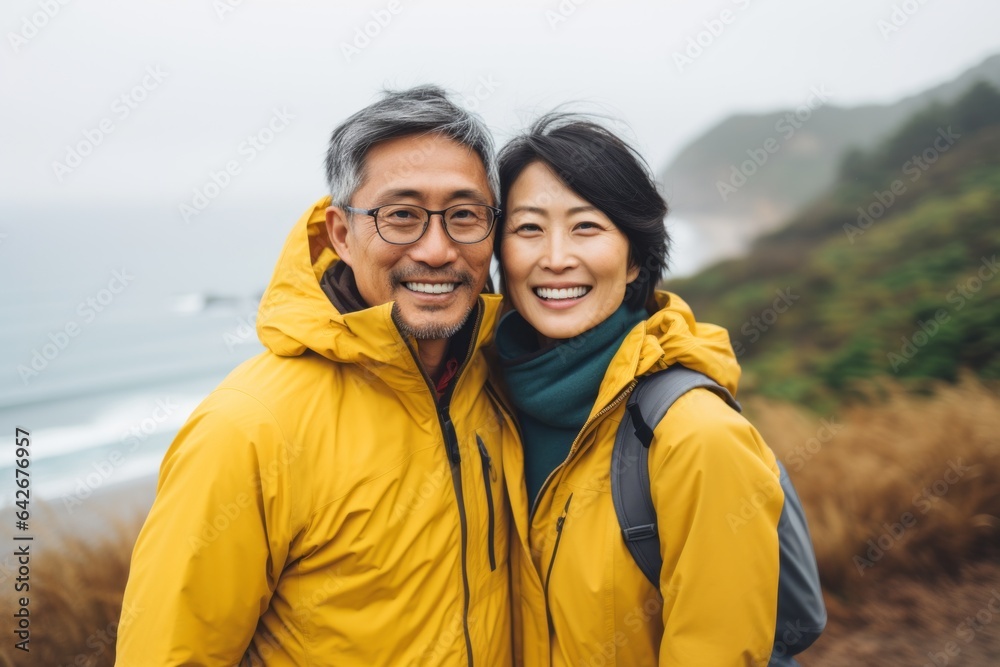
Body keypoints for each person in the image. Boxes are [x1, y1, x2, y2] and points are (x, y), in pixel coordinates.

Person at [116, 86, 517, 666]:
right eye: (400, 215)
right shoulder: (248, 428)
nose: (436, 249)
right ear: (341, 234)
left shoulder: (501, 383)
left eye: (464, 215)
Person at [493, 114, 784, 666]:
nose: (555, 258)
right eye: (528, 228)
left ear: (634, 260)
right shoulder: (477, 402)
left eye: (587, 227)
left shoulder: (696, 437)